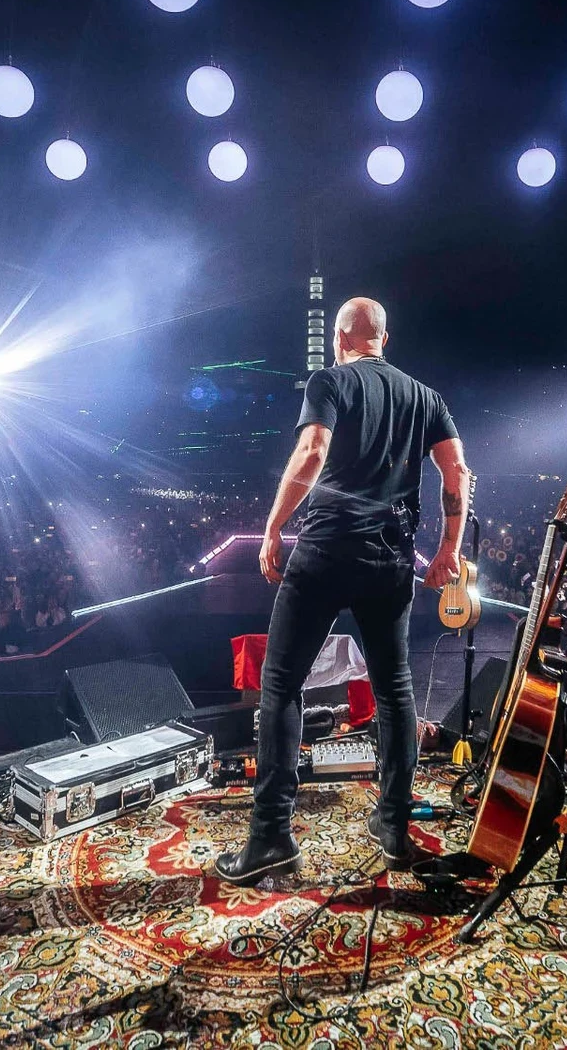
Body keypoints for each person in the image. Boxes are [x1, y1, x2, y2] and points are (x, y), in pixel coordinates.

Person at [213, 297, 470, 886]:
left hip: (326, 552)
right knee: (395, 691)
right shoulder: (425, 396)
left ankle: (272, 835)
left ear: (341, 337)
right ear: (384, 337)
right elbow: (456, 473)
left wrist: (275, 526)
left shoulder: (329, 380)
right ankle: (395, 824)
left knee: (281, 684)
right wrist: (450, 547)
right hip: (389, 562)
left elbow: (311, 451)